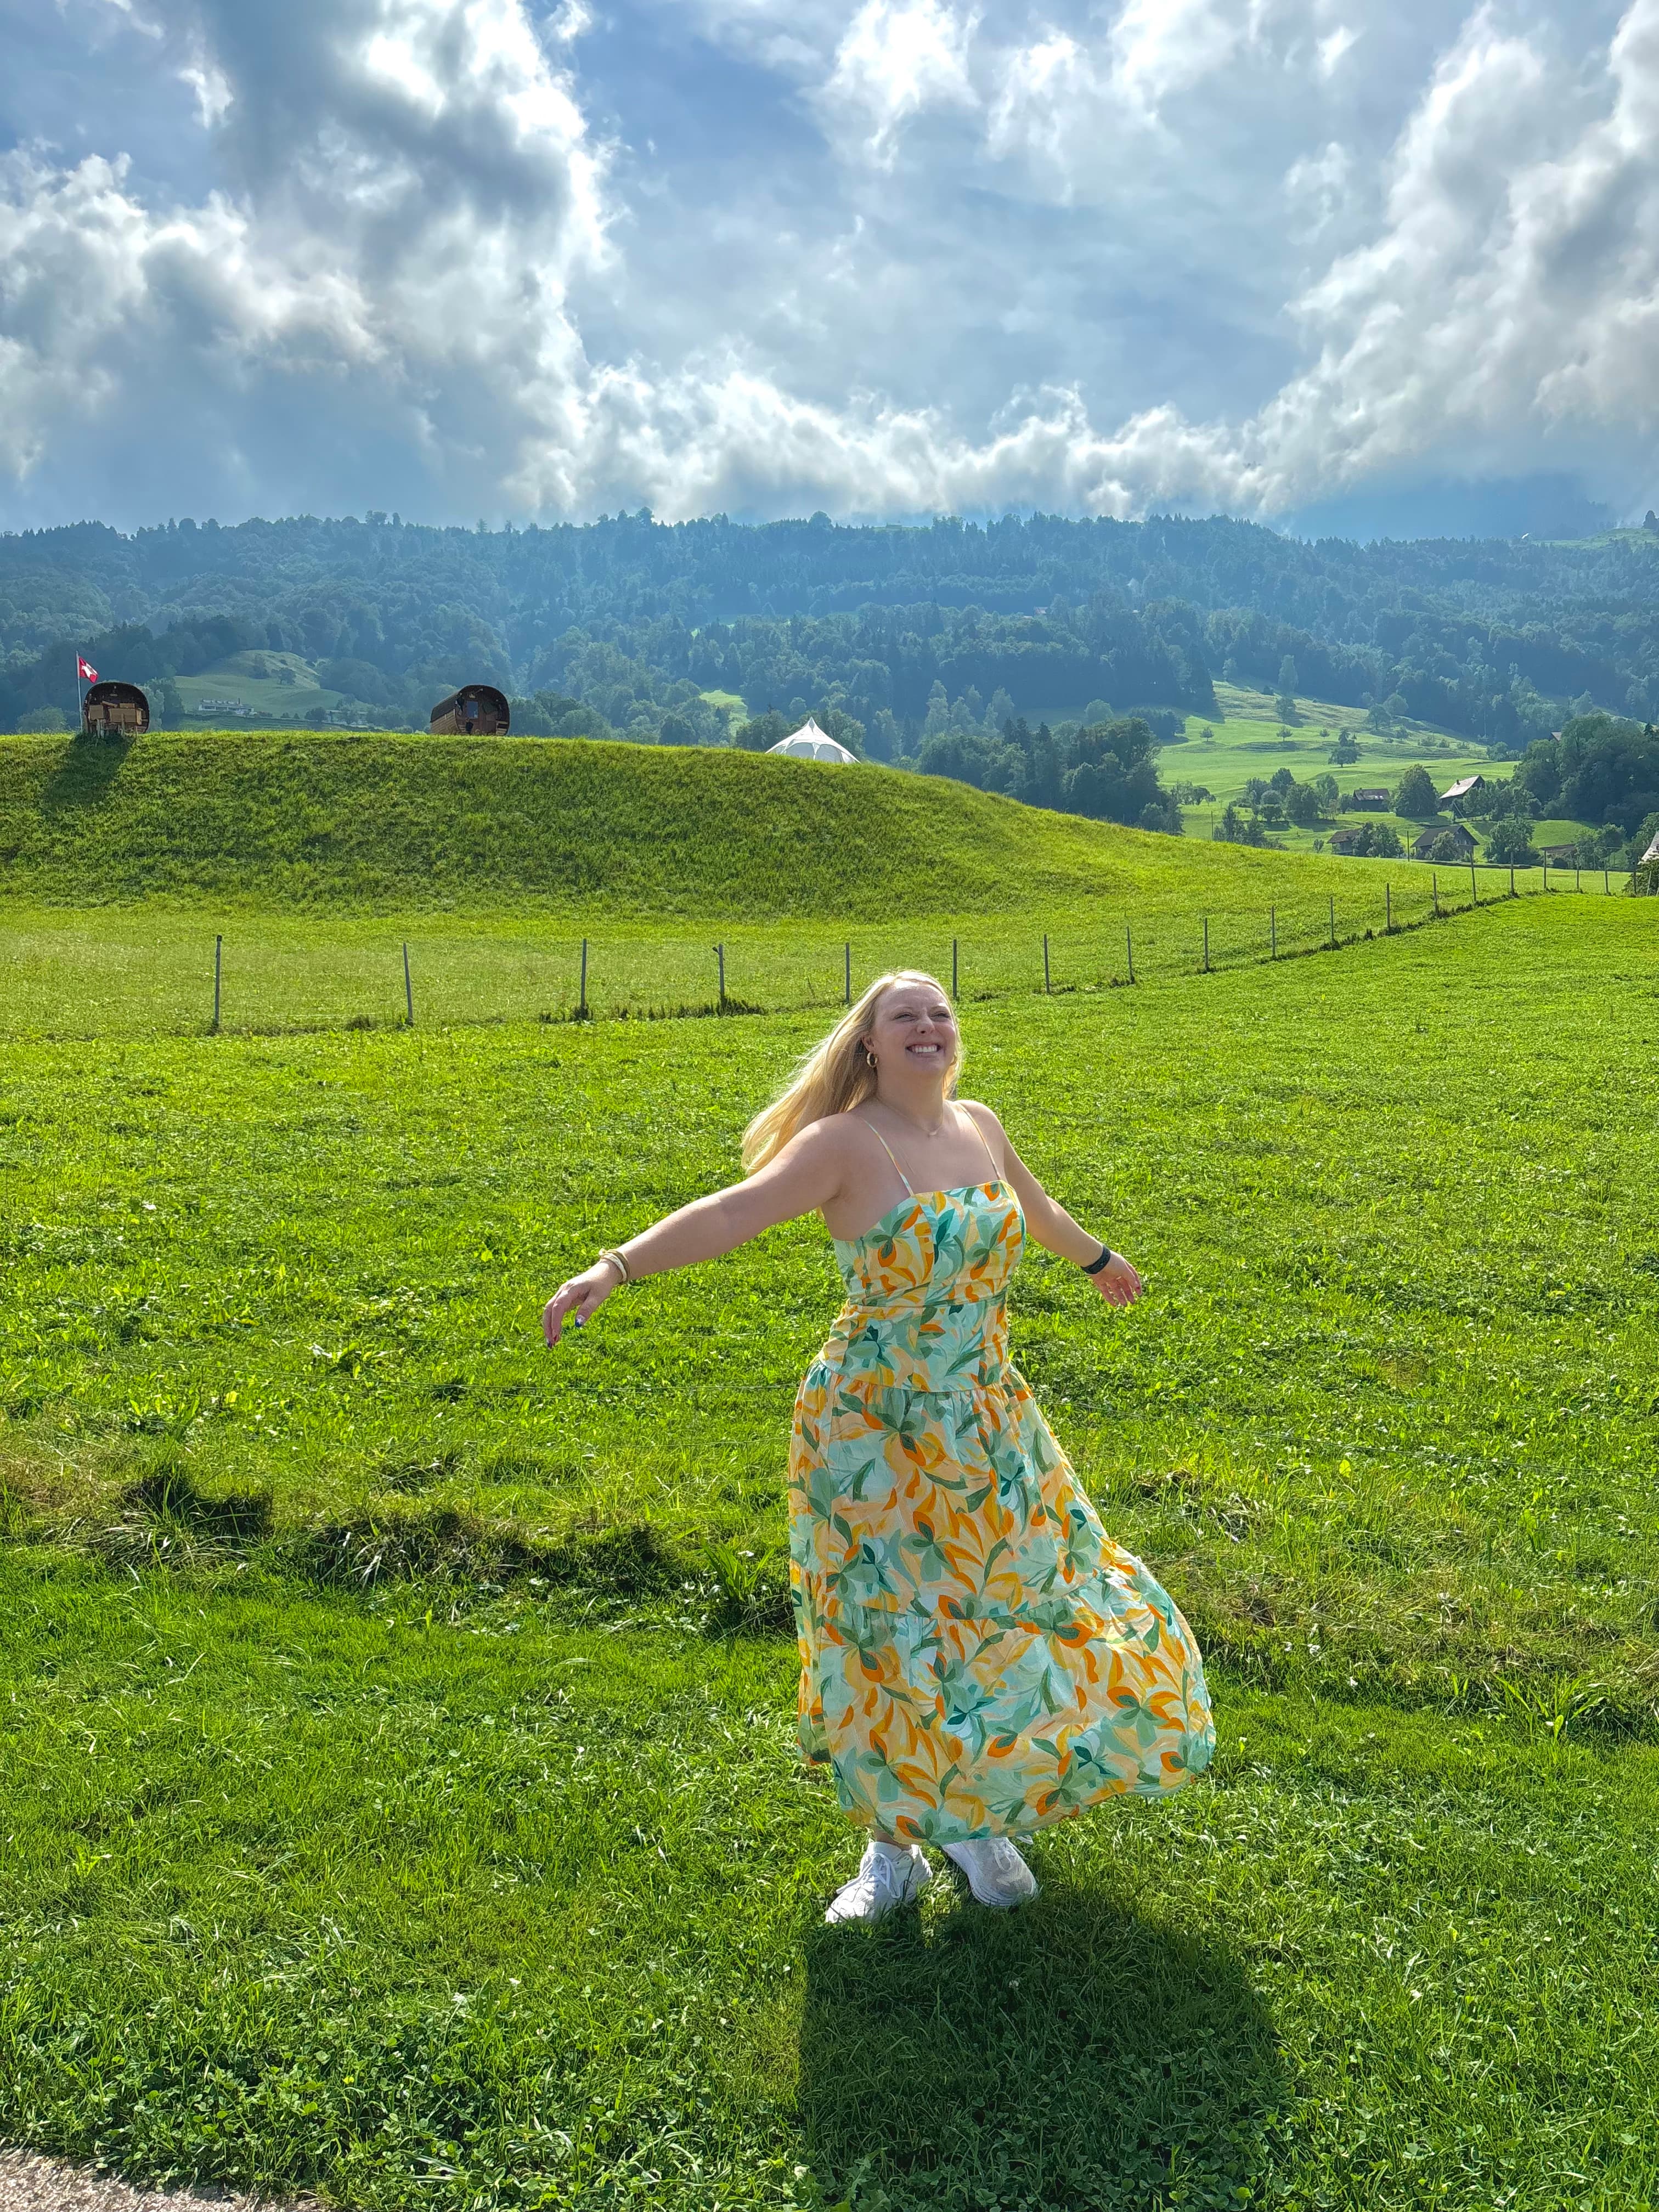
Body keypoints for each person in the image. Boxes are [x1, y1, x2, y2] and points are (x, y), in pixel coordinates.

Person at [543, 970, 1214, 1925]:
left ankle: (973, 1811)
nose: (928, 1026)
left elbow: (1036, 1209)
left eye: (941, 1012)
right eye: (906, 1016)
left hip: (986, 1416)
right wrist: (615, 1267)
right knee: (889, 1629)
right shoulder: (843, 1144)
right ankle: (894, 1852)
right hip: (872, 1430)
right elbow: (734, 1212)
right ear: (870, 1041)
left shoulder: (980, 1125)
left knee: (1006, 1607)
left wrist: (1099, 1261)